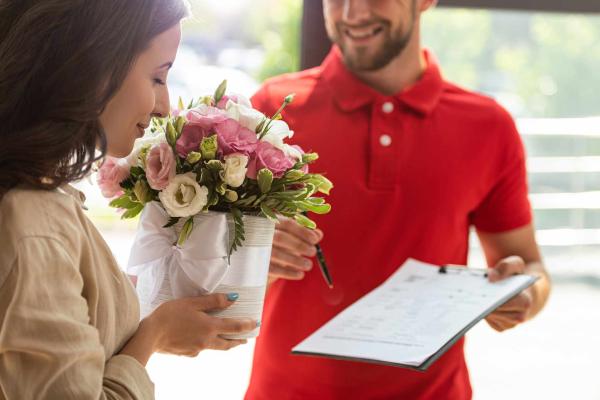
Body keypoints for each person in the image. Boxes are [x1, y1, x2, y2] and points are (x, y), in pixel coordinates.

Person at [246, 0, 551, 399]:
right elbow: (207, 278)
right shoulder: (272, 111)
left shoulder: (489, 126)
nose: (352, 14)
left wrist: (524, 293)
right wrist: (250, 258)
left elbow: (530, 264)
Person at [0, 1, 256, 399]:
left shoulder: (41, 196)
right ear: (94, 65)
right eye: (157, 78)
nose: (164, 107)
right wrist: (153, 335)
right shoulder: (31, 219)